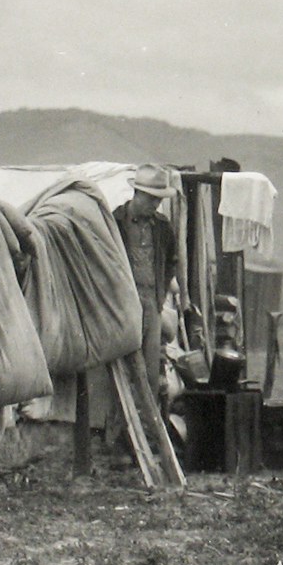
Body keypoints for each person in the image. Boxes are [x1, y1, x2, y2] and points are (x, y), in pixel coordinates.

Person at [112, 163, 176, 417]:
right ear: (136, 194)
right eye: (150, 199)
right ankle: (118, 433)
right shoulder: (114, 222)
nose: (154, 205)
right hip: (123, 305)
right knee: (122, 371)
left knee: (149, 372)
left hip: (151, 303)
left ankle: (149, 432)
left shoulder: (162, 227)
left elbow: (171, 261)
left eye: (158, 200)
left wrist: (159, 296)